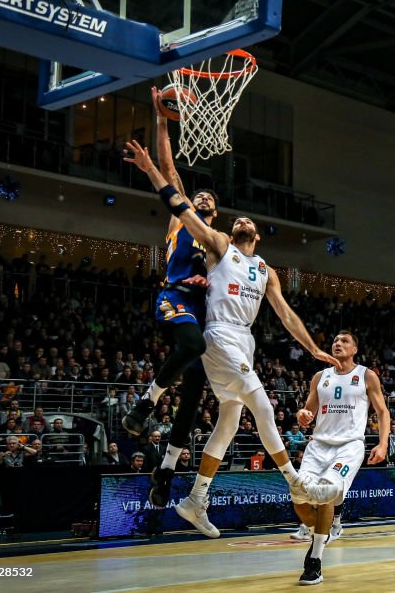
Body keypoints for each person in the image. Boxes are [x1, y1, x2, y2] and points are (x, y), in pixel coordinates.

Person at [125, 138, 339, 538]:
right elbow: (179, 203)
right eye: (238, 220)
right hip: (219, 333)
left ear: (257, 236)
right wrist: (151, 170)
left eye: (249, 223)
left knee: (229, 420)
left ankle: (195, 498)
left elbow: (286, 314)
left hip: (245, 341)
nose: (243, 222)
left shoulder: (266, 269)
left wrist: (312, 348)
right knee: (261, 403)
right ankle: (296, 482)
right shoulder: (219, 245)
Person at [123, 89, 221, 508]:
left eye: (208, 200)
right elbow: (167, 169)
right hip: (173, 297)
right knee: (193, 345)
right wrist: (161, 117)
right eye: (197, 197)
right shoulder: (182, 220)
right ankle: (146, 405)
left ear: (215, 213)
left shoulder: (218, 243)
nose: (201, 199)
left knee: (196, 397)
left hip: (203, 312)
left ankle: (165, 469)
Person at [289, 330, 390, 585]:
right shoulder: (319, 377)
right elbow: (308, 409)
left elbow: (382, 410)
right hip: (318, 445)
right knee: (298, 497)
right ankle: (322, 531)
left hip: (349, 446)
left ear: (354, 349)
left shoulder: (366, 375)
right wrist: (302, 414)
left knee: (326, 492)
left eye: (344, 341)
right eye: (335, 341)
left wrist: (383, 443)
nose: (337, 344)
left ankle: (315, 560)